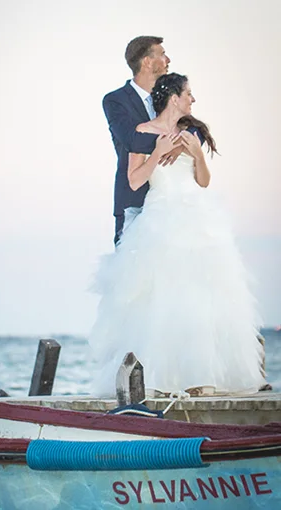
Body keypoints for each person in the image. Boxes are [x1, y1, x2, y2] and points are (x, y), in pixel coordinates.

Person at [89, 73, 265, 396]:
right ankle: (159, 379)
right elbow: (133, 181)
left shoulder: (192, 132)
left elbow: (203, 181)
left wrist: (197, 153)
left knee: (201, 298)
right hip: (160, 217)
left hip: (198, 220)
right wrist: (157, 152)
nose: (192, 100)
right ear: (173, 97)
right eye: (188, 93)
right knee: (162, 298)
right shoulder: (141, 133)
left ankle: (202, 377)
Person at [103, 36, 182, 245]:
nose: (168, 59)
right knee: (131, 271)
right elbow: (131, 139)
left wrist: (182, 142)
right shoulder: (114, 100)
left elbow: (195, 130)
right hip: (133, 200)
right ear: (147, 61)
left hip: (171, 202)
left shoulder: (170, 98)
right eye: (163, 54)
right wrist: (173, 143)